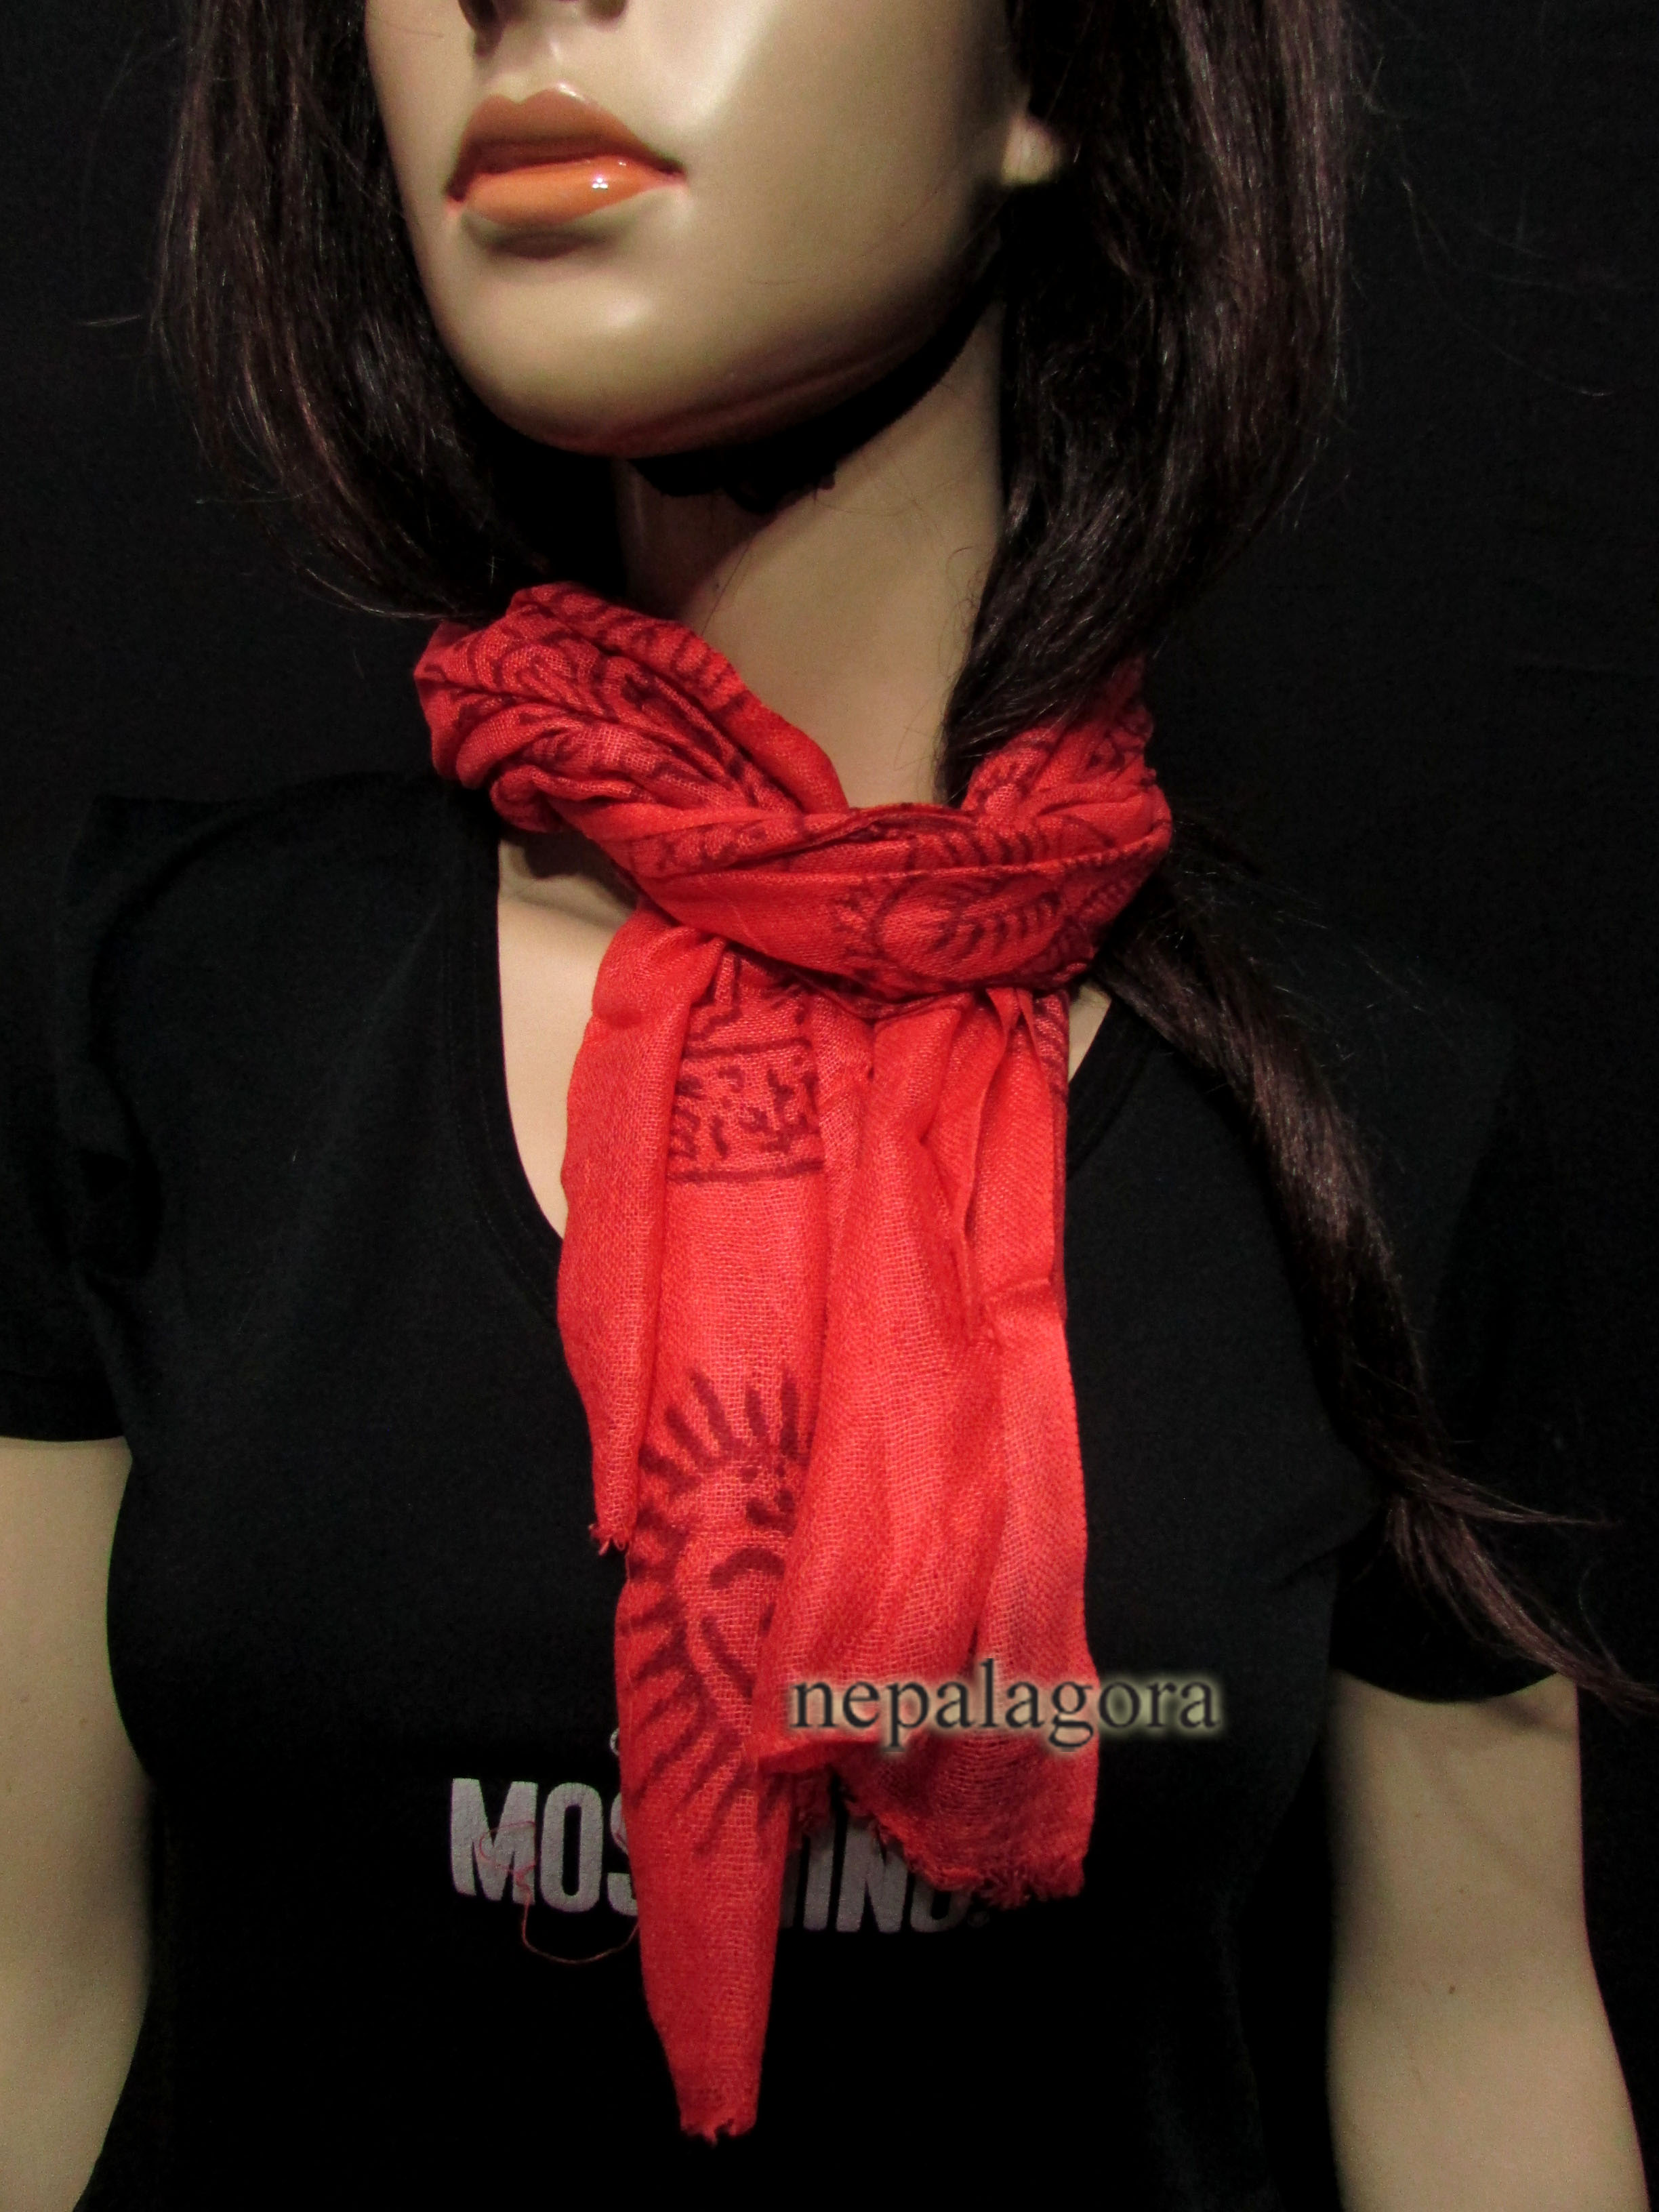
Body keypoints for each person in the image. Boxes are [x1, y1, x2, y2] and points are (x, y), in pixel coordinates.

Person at [0, 0, 1648, 2203]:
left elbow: (1484, 2041)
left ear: (1053, 78)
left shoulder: (1376, 1119)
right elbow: (26, 1998)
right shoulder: (149, 1006)